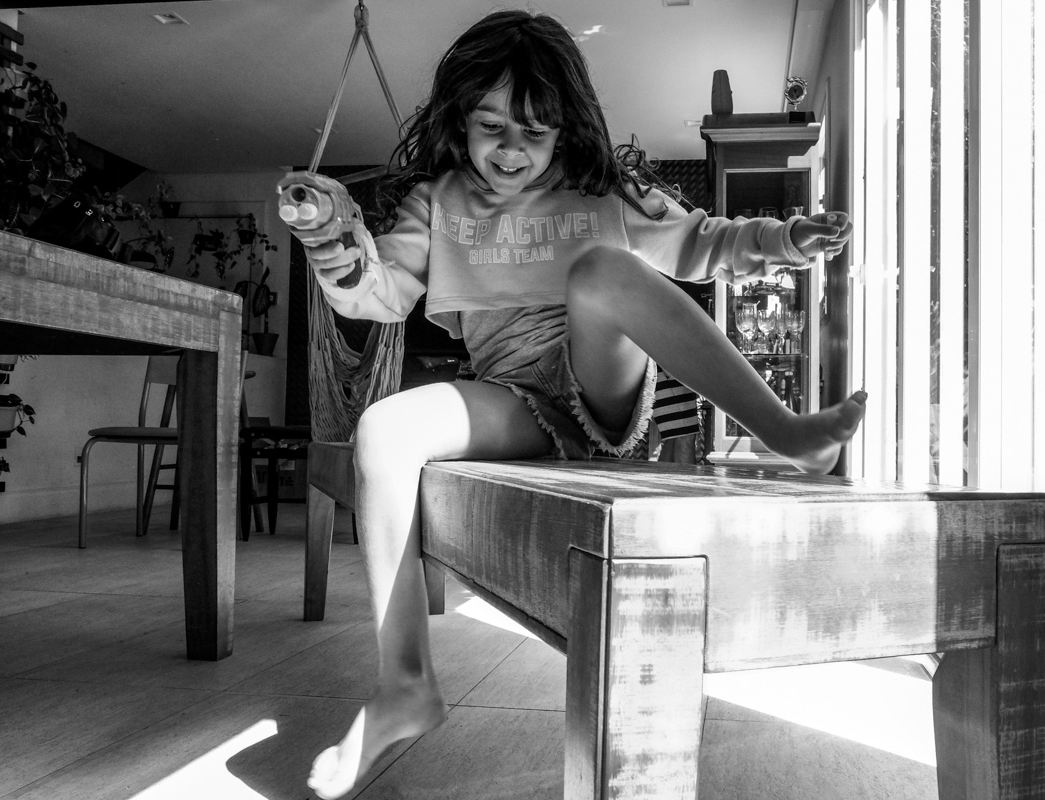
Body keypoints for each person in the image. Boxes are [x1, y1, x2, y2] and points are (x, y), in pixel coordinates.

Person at [283, 10, 863, 798]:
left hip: (601, 391)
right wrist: (334, 239)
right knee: (382, 427)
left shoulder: (601, 192)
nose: (511, 149)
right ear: (460, 119)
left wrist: (785, 239)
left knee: (600, 269)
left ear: (564, 129)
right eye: (491, 126)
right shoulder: (436, 204)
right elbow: (377, 294)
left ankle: (788, 432)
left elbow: (704, 242)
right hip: (514, 399)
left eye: (534, 130)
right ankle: (404, 683)